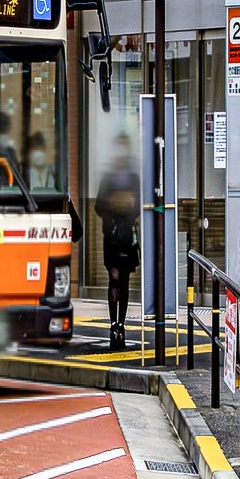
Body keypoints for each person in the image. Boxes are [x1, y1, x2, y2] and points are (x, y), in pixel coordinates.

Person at [95, 132, 140, 350]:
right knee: (114, 278)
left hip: (127, 235)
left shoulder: (133, 177)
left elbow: (139, 205)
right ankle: (114, 324)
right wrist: (115, 204)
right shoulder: (109, 176)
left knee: (124, 281)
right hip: (112, 235)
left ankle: (121, 323)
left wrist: (127, 204)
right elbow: (98, 206)